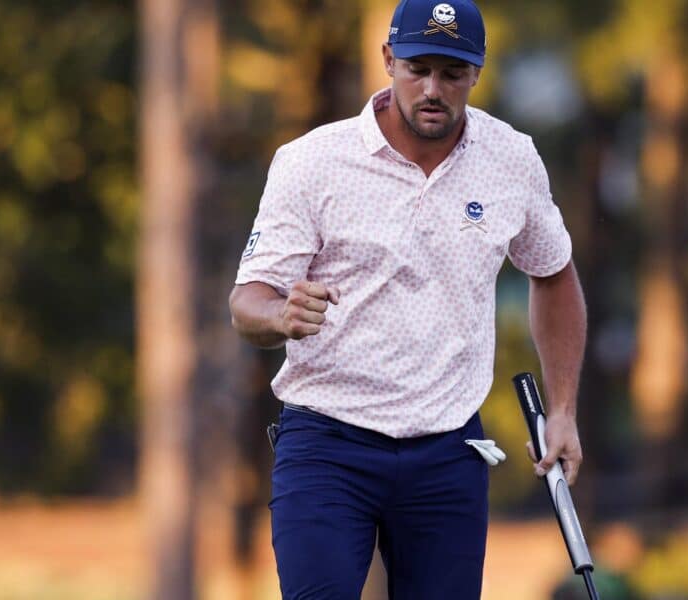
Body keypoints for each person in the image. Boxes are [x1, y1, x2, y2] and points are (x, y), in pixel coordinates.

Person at [229, 0, 587, 597]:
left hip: (449, 448)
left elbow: (553, 274)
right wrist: (279, 315)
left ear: (477, 72)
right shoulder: (313, 162)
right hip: (327, 442)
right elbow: (248, 302)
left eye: (452, 73)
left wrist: (565, 410)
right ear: (389, 59)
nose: (432, 89)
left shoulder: (511, 160)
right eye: (418, 68)